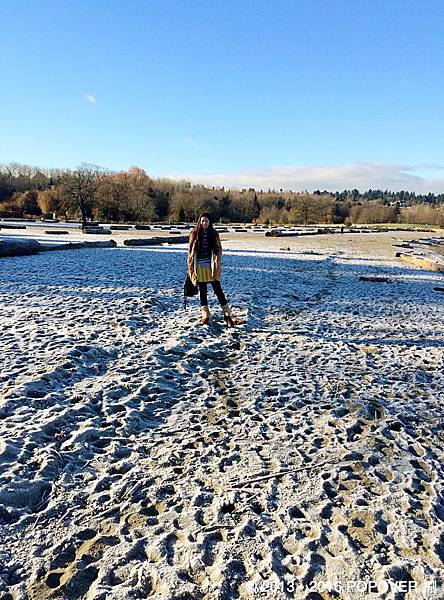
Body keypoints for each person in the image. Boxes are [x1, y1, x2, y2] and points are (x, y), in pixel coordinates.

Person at [187, 213, 234, 327]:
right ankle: (205, 315)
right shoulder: (194, 233)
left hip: (211, 266)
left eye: (206, 221)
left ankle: (227, 315)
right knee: (203, 292)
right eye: (202, 221)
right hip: (199, 266)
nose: (204, 223)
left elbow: (219, 249)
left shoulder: (214, 234)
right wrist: (190, 266)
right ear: (199, 222)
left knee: (218, 290)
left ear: (210, 222)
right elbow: (190, 251)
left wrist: (217, 258)